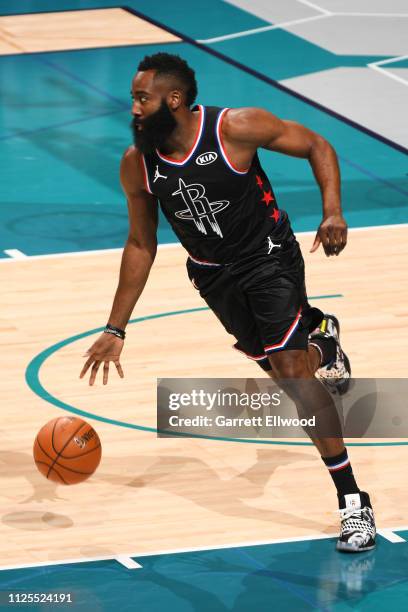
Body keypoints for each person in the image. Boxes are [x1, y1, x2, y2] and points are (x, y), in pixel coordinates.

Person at [80, 53, 376, 552]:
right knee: (287, 372)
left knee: (296, 380)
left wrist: (333, 212)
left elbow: (316, 145)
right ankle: (323, 340)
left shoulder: (234, 127)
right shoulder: (139, 165)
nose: (133, 107)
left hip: (268, 258)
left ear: (173, 100)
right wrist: (115, 328)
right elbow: (140, 244)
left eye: (141, 97)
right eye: (133, 97)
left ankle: (354, 502)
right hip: (213, 276)